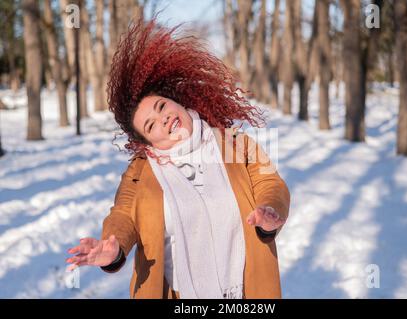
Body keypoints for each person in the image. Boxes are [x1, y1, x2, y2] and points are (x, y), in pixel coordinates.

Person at [66, 18, 290, 299]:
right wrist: (113, 248)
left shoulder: (237, 144)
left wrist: (270, 211)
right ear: (148, 142)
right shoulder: (140, 172)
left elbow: (270, 182)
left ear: (177, 101)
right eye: (151, 125)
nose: (164, 119)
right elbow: (123, 215)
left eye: (162, 106)